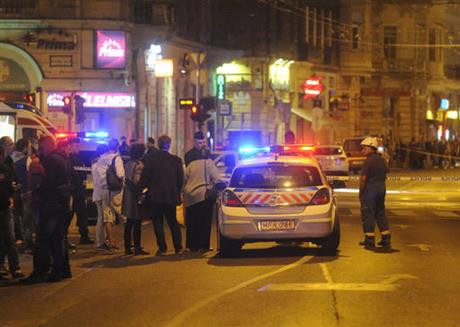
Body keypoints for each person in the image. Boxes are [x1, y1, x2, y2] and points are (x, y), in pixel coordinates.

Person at [22, 136, 72, 283]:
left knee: (43, 238)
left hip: (51, 203)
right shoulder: (64, 159)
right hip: (62, 203)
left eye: (42, 148)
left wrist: (35, 192)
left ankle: (41, 270)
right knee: (58, 238)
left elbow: (48, 183)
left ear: (48, 145)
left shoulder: (51, 160)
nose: (40, 151)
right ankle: (62, 269)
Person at [139, 134, 184, 256]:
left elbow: (145, 177)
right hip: (170, 195)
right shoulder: (176, 160)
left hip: (155, 196)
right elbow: (181, 180)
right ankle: (178, 247)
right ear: (169, 145)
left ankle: (162, 247)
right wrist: (176, 190)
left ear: (158, 145)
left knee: (157, 222)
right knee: (173, 222)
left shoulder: (151, 159)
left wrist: (141, 190)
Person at [183, 131, 221, 253]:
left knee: (192, 221)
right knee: (204, 221)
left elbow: (185, 177)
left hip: (190, 194)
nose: (202, 144)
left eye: (203, 142)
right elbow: (217, 177)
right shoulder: (208, 163)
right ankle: (203, 245)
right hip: (203, 194)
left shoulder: (190, 163)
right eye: (200, 142)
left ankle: (191, 245)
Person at [359, 137, 391, 250]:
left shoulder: (368, 161)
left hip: (370, 190)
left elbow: (363, 178)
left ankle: (369, 240)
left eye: (364, 148)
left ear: (372, 148)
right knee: (380, 213)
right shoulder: (382, 160)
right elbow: (386, 173)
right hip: (381, 189)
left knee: (368, 214)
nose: (362, 151)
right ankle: (386, 239)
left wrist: (361, 192)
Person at [92, 139, 124, 251]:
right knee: (110, 217)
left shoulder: (99, 161)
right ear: (117, 147)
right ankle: (108, 241)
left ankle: (101, 242)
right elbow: (120, 175)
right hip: (108, 192)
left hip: (97, 192)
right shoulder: (115, 158)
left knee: (102, 218)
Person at [0, 145, 24, 280]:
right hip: (4, 207)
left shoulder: (6, 169)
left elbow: (11, 186)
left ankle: (15, 267)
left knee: (9, 239)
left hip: (5, 208)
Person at [122, 143, 149, 256]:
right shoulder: (138, 165)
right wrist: (142, 194)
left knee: (129, 222)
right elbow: (137, 182)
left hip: (127, 195)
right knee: (137, 222)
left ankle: (127, 247)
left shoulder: (127, 163)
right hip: (135, 196)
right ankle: (137, 247)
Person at [68, 138, 93, 245]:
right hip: (73, 190)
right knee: (69, 214)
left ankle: (84, 235)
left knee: (81, 213)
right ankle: (64, 237)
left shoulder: (77, 158)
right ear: (70, 146)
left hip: (78, 189)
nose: (78, 148)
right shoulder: (69, 159)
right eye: (76, 146)